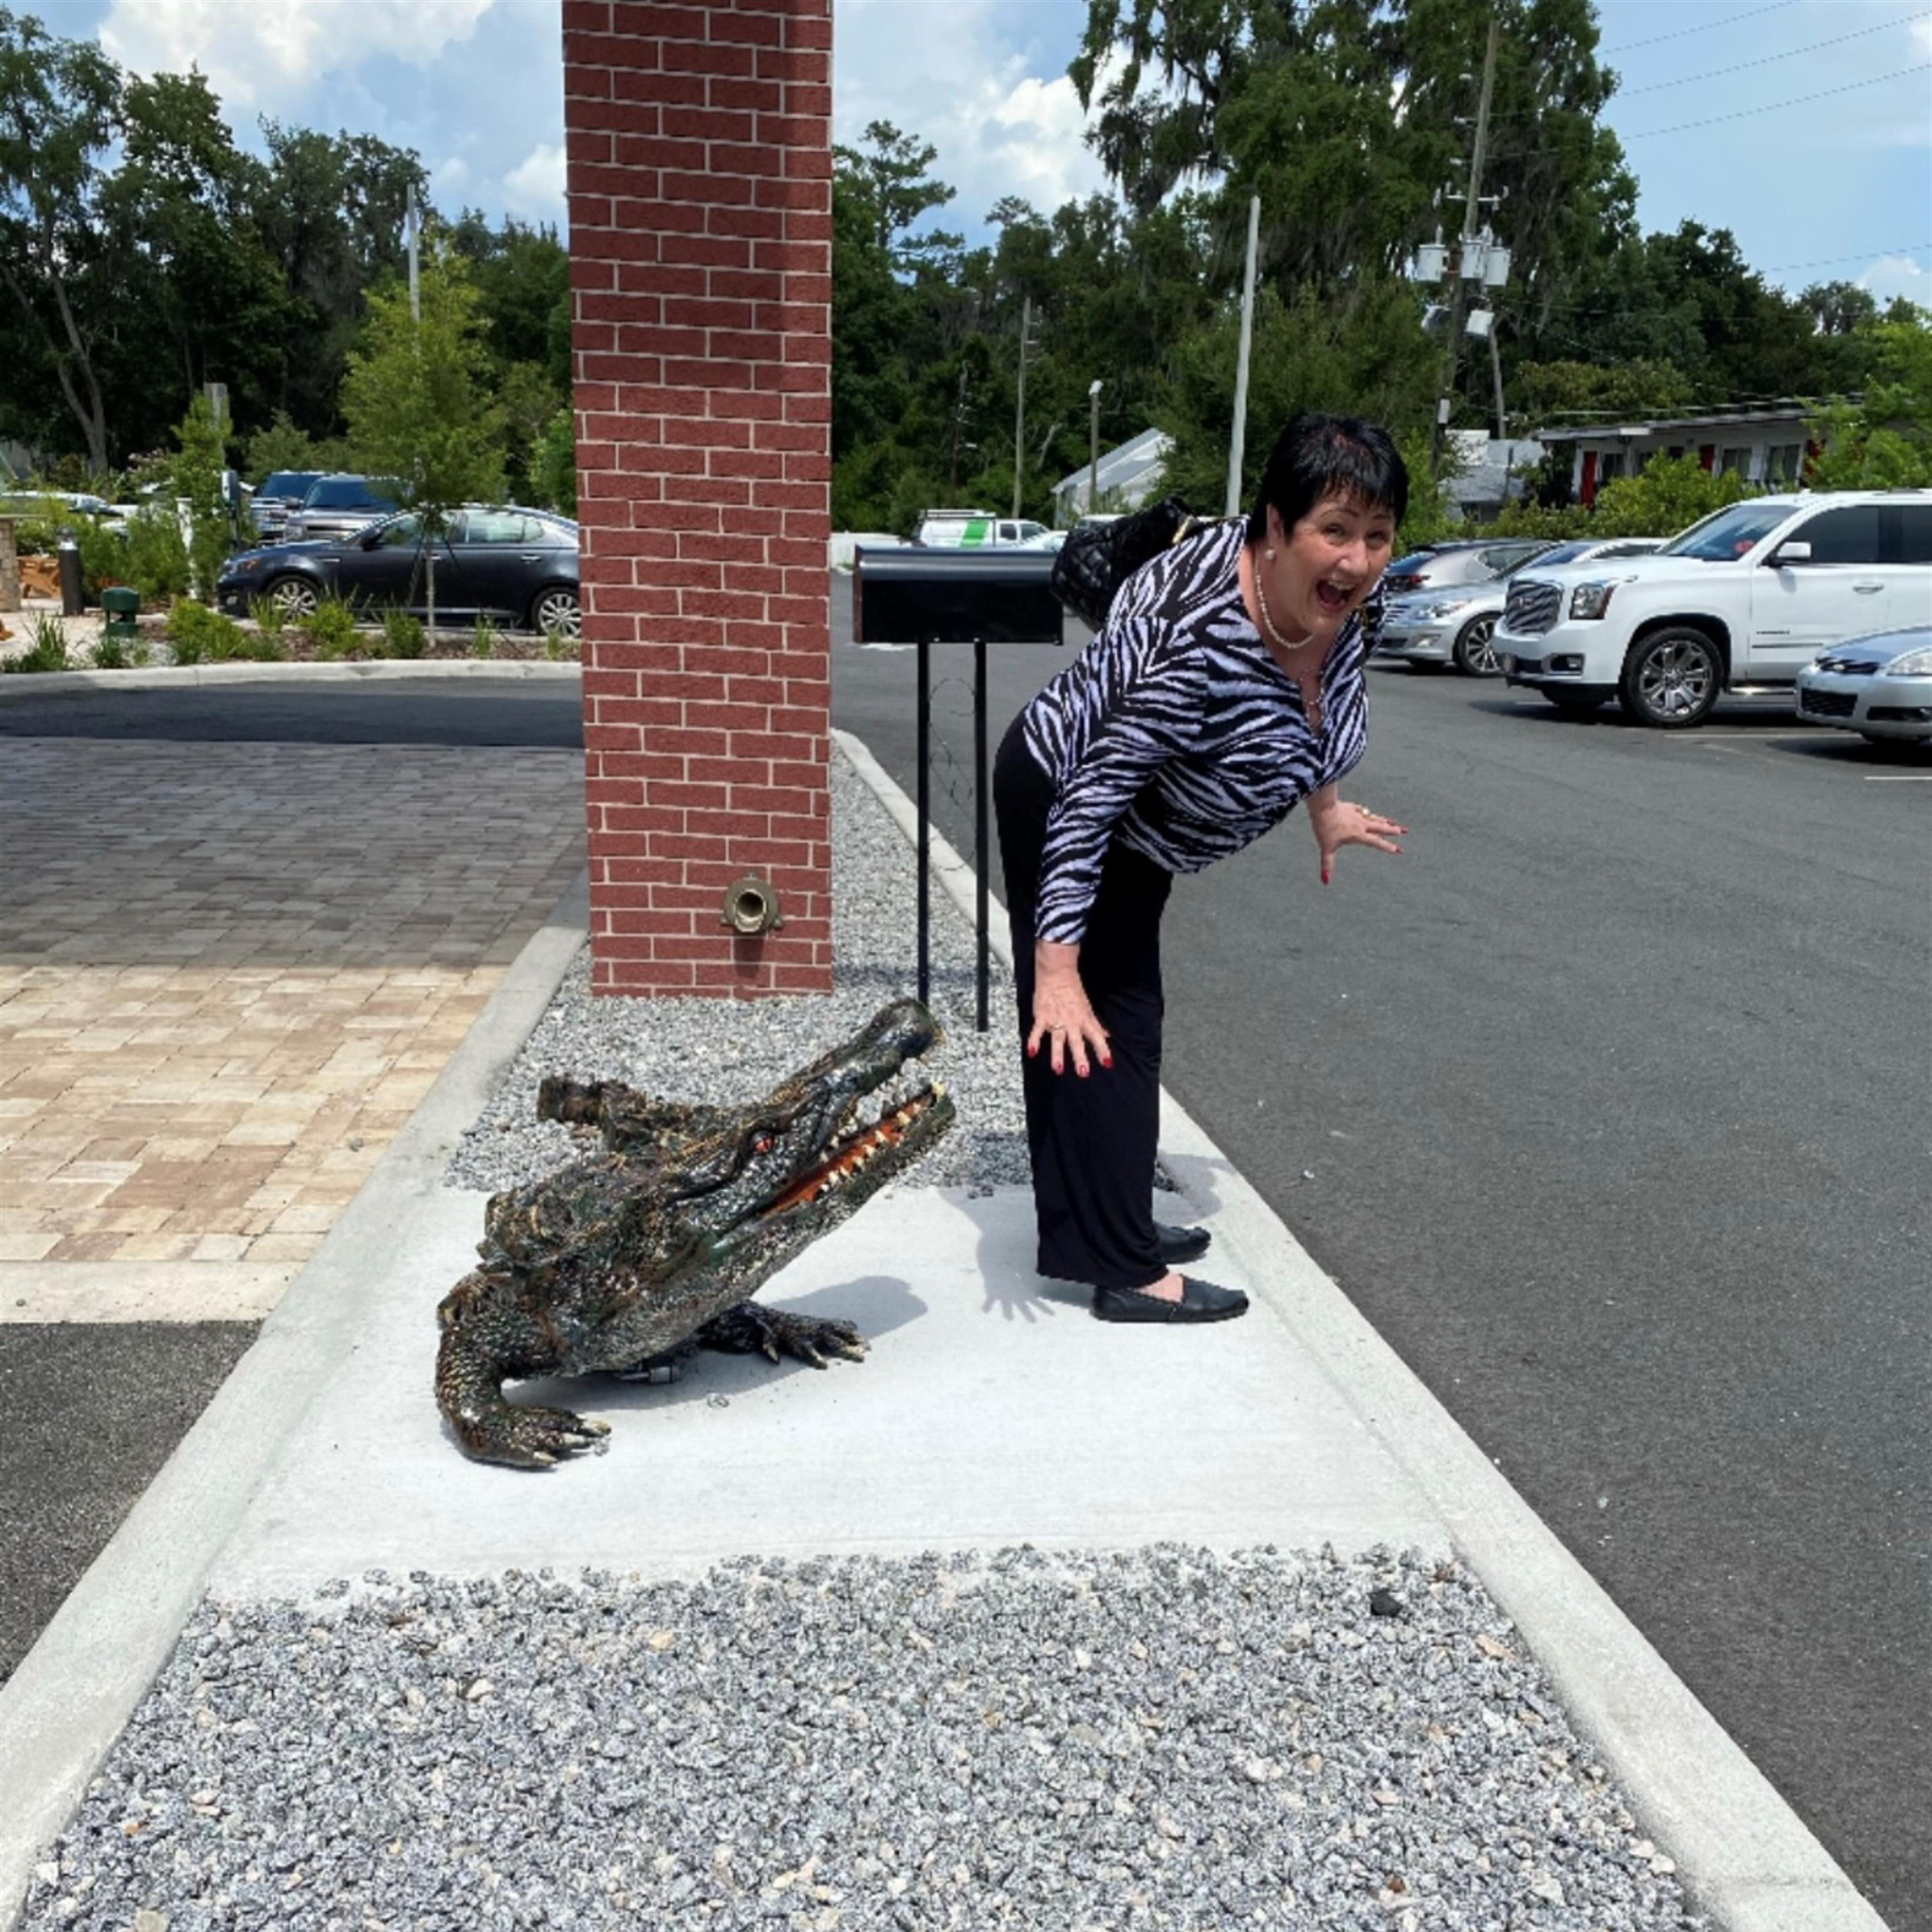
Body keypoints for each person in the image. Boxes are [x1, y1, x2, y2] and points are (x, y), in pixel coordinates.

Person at [993, 412, 1409, 1324]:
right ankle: (1122, 1269)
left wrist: (1327, 808)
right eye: (1336, 531)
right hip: (1071, 797)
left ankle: (1104, 1226)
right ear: (1276, 526)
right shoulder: (1192, 634)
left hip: (1142, 828)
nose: (1358, 560)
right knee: (1103, 1022)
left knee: (1119, 1019)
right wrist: (1054, 970)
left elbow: (1319, 705)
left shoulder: (1345, 607)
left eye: (1378, 536)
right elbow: (1092, 795)